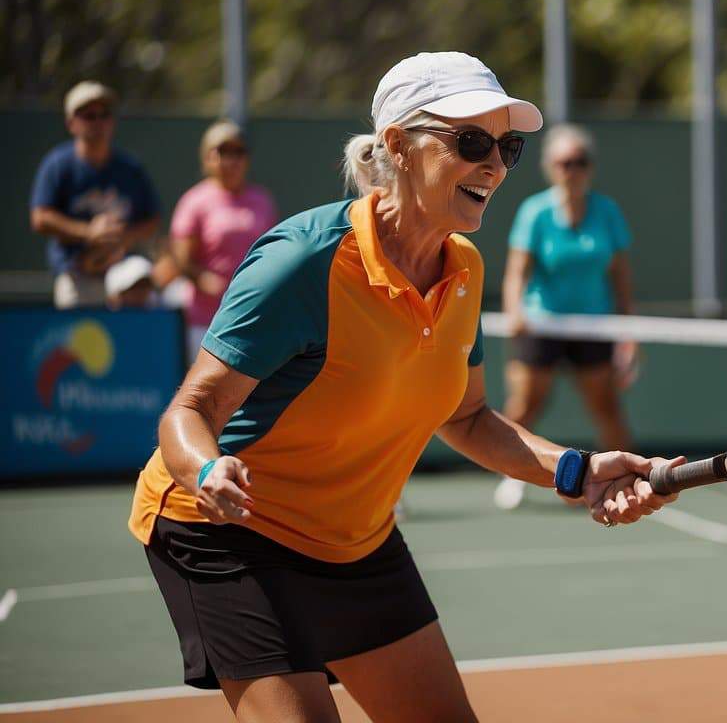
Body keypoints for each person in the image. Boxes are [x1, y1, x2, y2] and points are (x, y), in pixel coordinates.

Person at [128, 52, 679, 722]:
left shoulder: (466, 270)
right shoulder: (303, 262)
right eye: (471, 142)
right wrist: (207, 470)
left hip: (356, 539)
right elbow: (192, 409)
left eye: (508, 147)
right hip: (230, 533)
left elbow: (470, 419)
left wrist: (579, 470)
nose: (496, 166)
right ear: (398, 146)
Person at [494, 124, 638, 511]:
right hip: (541, 323)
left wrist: (629, 336)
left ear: (589, 167)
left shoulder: (607, 212)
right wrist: (515, 311)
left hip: (594, 325)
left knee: (606, 406)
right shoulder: (535, 212)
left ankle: (626, 477)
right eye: (563, 163)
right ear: (550, 167)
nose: (571, 170)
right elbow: (516, 272)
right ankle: (513, 474)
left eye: (579, 162)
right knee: (525, 405)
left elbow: (621, 279)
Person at [29, 81, 160, 308]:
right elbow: (40, 218)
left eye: (105, 115)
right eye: (89, 115)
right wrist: (88, 232)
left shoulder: (130, 168)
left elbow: (152, 219)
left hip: (124, 278)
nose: (98, 122)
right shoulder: (59, 165)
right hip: (78, 277)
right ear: (71, 123)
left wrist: (125, 237)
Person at [169, 120, 278, 352]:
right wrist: (207, 282)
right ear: (207, 158)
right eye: (223, 152)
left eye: (238, 152)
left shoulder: (262, 200)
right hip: (205, 321)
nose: (231, 160)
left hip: (251, 316)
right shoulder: (194, 202)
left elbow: (272, 253)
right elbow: (182, 260)